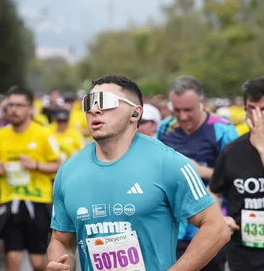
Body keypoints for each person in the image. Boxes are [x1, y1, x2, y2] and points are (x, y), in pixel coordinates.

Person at [47, 74, 230, 271]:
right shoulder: (69, 171)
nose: (95, 109)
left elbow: (217, 229)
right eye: (89, 103)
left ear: (135, 113)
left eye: (105, 102)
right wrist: (60, 263)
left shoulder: (167, 162)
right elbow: (61, 240)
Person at [209, 77, 264, 271]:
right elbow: (214, 190)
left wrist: (263, 147)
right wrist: (219, 218)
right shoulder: (232, 151)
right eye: (252, 109)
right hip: (242, 256)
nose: (258, 117)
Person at [156, 75, 238, 271]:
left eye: (188, 110)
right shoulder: (164, 129)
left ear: (201, 103)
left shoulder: (222, 130)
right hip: (173, 229)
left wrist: (201, 171)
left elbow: (237, 176)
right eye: (177, 110)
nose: (183, 117)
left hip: (209, 227)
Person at [0, 86, 61, 271]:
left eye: (19, 105)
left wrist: (35, 165)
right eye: (10, 105)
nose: (14, 109)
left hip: (37, 202)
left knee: (37, 262)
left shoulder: (43, 134)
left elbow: (59, 165)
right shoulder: (1, 136)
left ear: (30, 108)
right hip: (9, 202)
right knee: (13, 258)